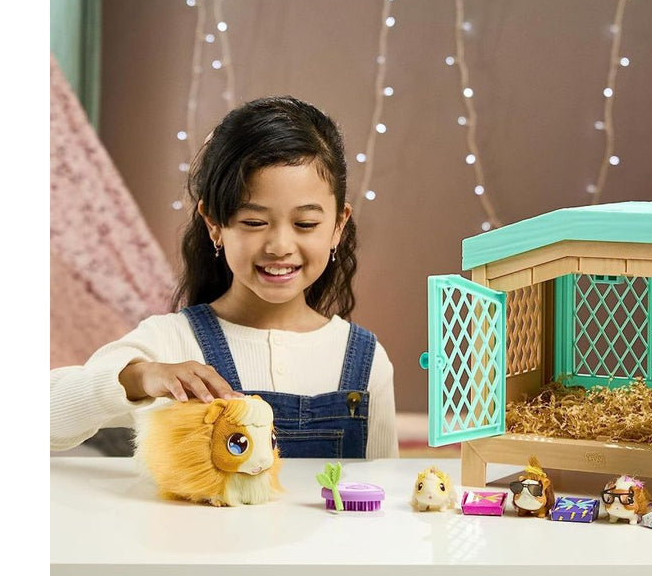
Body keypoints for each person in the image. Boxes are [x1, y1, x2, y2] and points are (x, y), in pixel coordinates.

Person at [50, 96, 399, 459]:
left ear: (338, 225)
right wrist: (138, 379)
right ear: (214, 224)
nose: (280, 246)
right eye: (254, 222)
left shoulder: (365, 358)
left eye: (305, 224)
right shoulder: (170, 342)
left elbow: (384, 486)